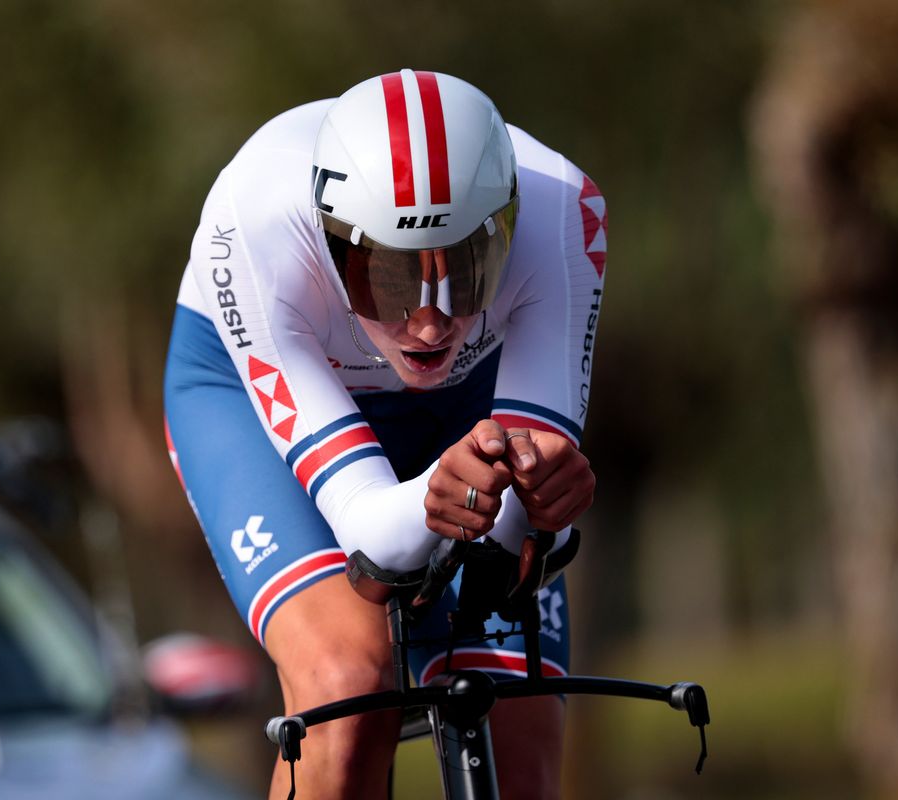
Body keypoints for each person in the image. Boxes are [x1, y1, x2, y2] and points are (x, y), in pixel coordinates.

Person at [164, 69, 606, 799]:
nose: (430, 323)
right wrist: (449, 503)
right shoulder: (255, 218)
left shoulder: (564, 209)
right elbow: (374, 541)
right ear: (332, 241)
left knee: (517, 738)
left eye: (465, 273)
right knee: (345, 686)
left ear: (508, 224)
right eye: (389, 281)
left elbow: (518, 535)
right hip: (246, 391)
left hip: (468, 402)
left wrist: (540, 516)